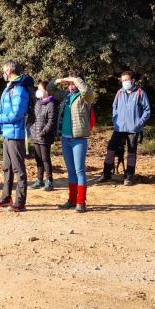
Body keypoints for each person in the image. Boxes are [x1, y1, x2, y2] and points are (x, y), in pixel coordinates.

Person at [93, 70, 150, 186]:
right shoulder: (119, 93)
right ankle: (106, 173)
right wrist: (115, 120)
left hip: (133, 129)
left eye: (126, 80)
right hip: (119, 128)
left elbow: (147, 110)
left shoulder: (140, 93)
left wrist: (139, 123)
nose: (125, 82)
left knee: (131, 152)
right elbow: (114, 108)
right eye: (123, 80)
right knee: (111, 148)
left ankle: (129, 175)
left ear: (133, 80)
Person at [0, 60, 30, 212]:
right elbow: (8, 112)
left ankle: (20, 201)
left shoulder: (19, 90)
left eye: (4, 71)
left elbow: (16, 114)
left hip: (15, 134)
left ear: (10, 71)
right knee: (7, 167)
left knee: (18, 169)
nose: (3, 74)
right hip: (7, 133)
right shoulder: (10, 88)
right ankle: (6, 197)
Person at [55, 73, 96, 213]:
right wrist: (59, 80)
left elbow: (87, 91)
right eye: (69, 84)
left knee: (79, 170)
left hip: (78, 138)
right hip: (65, 138)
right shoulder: (66, 97)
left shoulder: (84, 98)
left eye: (72, 83)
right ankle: (72, 200)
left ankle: (81, 202)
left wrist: (75, 79)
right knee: (71, 171)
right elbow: (50, 90)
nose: (70, 86)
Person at [28, 80, 58, 191]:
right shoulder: (38, 103)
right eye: (38, 89)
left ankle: (49, 181)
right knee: (38, 159)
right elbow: (33, 117)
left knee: (45, 159)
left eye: (41, 89)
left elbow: (51, 122)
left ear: (47, 91)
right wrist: (32, 129)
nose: (38, 91)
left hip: (45, 137)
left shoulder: (52, 104)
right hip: (35, 135)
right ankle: (39, 180)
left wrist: (43, 132)